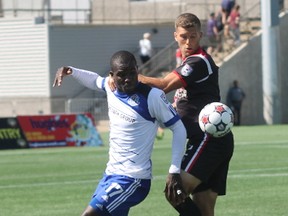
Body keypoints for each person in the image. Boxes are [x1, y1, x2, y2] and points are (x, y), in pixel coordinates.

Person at [53, 50, 187, 216]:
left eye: (132, 72)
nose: (128, 79)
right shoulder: (111, 88)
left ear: (137, 69)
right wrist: (71, 70)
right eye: (122, 75)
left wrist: (174, 171)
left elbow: (179, 128)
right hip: (110, 175)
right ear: (112, 75)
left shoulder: (152, 96)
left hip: (133, 179)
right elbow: (95, 80)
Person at [136, 13, 234, 216]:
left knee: (175, 192)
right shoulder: (187, 62)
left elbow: (163, 86)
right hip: (214, 141)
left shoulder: (198, 62)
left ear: (200, 35)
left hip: (207, 140)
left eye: (193, 36)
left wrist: (130, 77)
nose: (188, 41)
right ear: (175, 36)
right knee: (204, 210)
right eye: (183, 36)